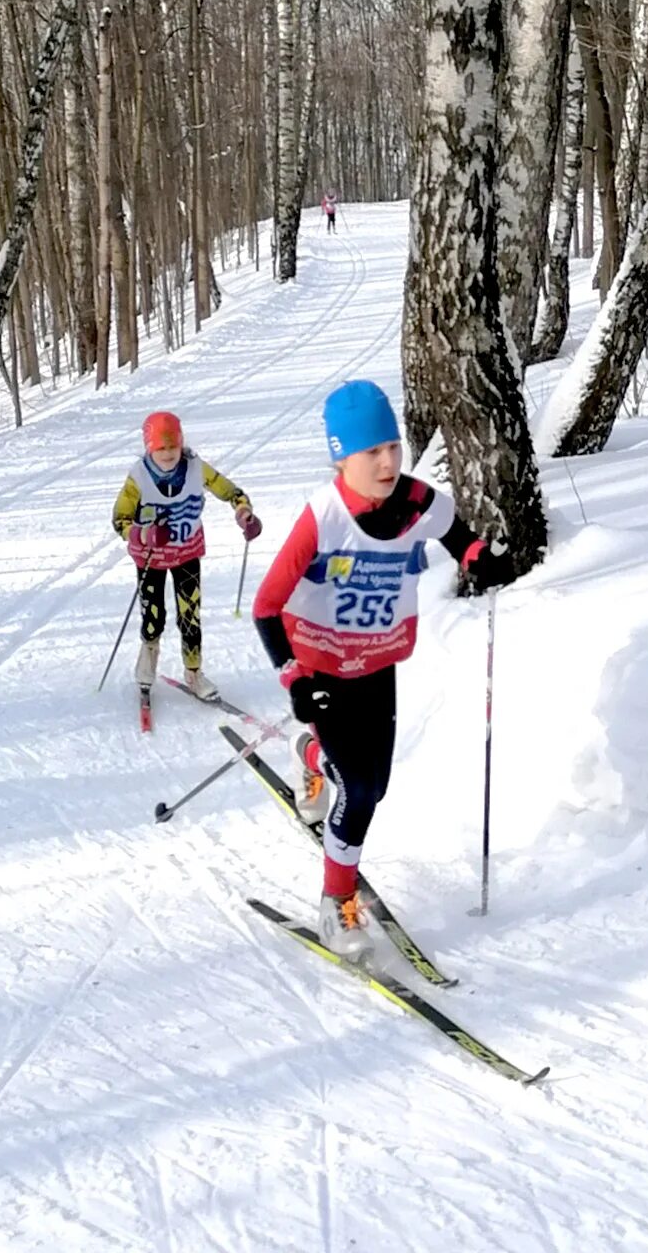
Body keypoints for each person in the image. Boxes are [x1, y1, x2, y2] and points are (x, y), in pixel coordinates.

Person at [251, 380, 505, 957]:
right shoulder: (324, 517)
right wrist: (294, 679)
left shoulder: (419, 501)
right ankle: (335, 904)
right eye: (372, 452)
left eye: (392, 445)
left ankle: (309, 758)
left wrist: (477, 559)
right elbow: (266, 606)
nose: (388, 460)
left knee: (375, 786)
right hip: (324, 671)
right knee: (360, 792)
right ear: (342, 456)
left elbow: (457, 535)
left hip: (379, 665)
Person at [113, 411, 261, 701]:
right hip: (151, 558)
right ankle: (146, 670)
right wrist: (142, 534)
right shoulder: (138, 478)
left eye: (173, 446)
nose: (168, 454)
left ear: (181, 443)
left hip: (187, 552)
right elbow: (120, 519)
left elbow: (232, 492)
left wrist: (244, 514)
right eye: (160, 448)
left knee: (190, 615)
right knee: (154, 616)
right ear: (148, 447)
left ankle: (194, 673)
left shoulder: (196, 467)